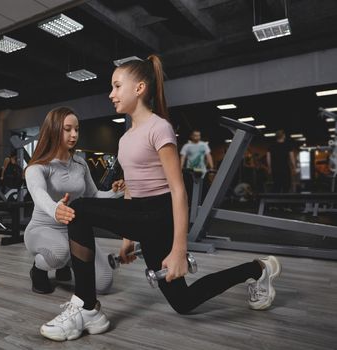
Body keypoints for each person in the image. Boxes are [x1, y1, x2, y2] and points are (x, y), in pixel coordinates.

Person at [38, 55, 282, 342]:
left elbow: (178, 190)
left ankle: (87, 307)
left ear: (139, 88)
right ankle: (258, 269)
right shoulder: (126, 137)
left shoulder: (159, 128)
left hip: (159, 214)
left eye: (117, 86)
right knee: (184, 302)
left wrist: (180, 249)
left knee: (77, 209)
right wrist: (128, 238)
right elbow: (132, 188)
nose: (111, 94)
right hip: (142, 215)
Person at [24, 106, 125, 294]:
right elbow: (38, 194)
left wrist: (115, 192)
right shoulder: (37, 167)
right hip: (42, 230)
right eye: (67, 129)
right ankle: (38, 271)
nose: (74, 134)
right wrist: (56, 209)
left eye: (77, 129)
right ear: (54, 130)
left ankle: (66, 263)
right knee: (59, 252)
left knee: (103, 283)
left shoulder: (80, 164)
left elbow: (93, 195)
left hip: (74, 232)